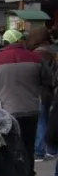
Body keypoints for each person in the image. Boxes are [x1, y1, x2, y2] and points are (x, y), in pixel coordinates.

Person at [0, 28, 52, 176]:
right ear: (20, 41)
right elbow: (48, 81)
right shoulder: (36, 58)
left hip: (7, 111)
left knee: (10, 147)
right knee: (28, 145)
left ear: (4, 43)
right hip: (32, 109)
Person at [31, 30, 58, 160]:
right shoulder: (54, 50)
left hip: (41, 90)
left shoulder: (38, 53)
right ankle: (51, 149)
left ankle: (39, 151)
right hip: (52, 90)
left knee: (41, 120)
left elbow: (39, 73)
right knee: (49, 118)